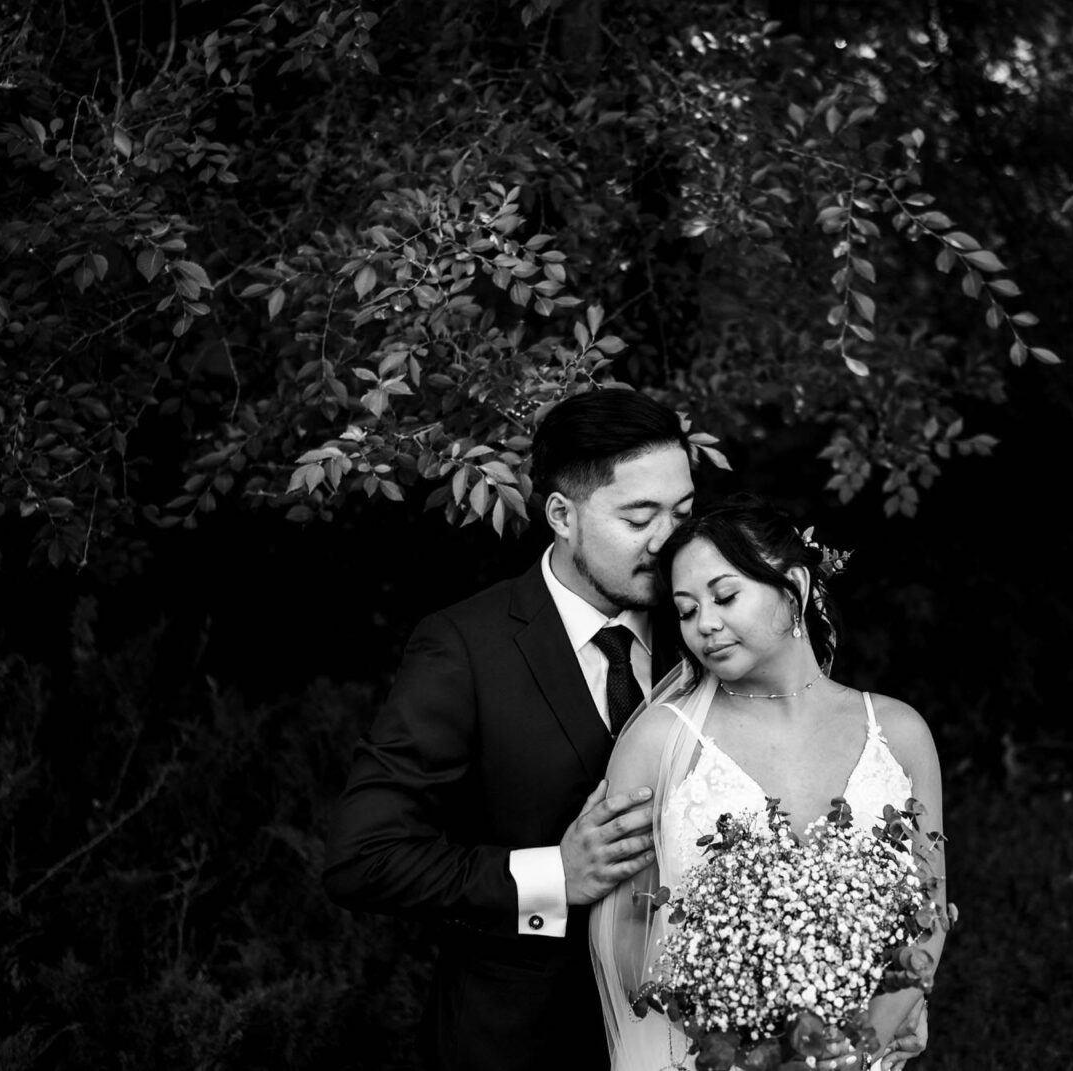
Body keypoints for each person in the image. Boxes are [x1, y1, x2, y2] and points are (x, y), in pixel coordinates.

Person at [323, 388, 699, 1071]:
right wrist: (551, 873)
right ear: (562, 513)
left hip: (691, 1039)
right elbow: (363, 854)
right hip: (520, 1042)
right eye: (639, 516)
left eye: (682, 511)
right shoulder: (464, 647)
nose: (668, 540)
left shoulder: (707, 632)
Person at [589, 497, 946, 1070]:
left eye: (725, 596)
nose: (704, 624)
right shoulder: (659, 742)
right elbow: (624, 928)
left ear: (795, 588)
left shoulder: (900, 732)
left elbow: (927, 913)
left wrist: (859, 1049)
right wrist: (747, 1048)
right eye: (685, 610)